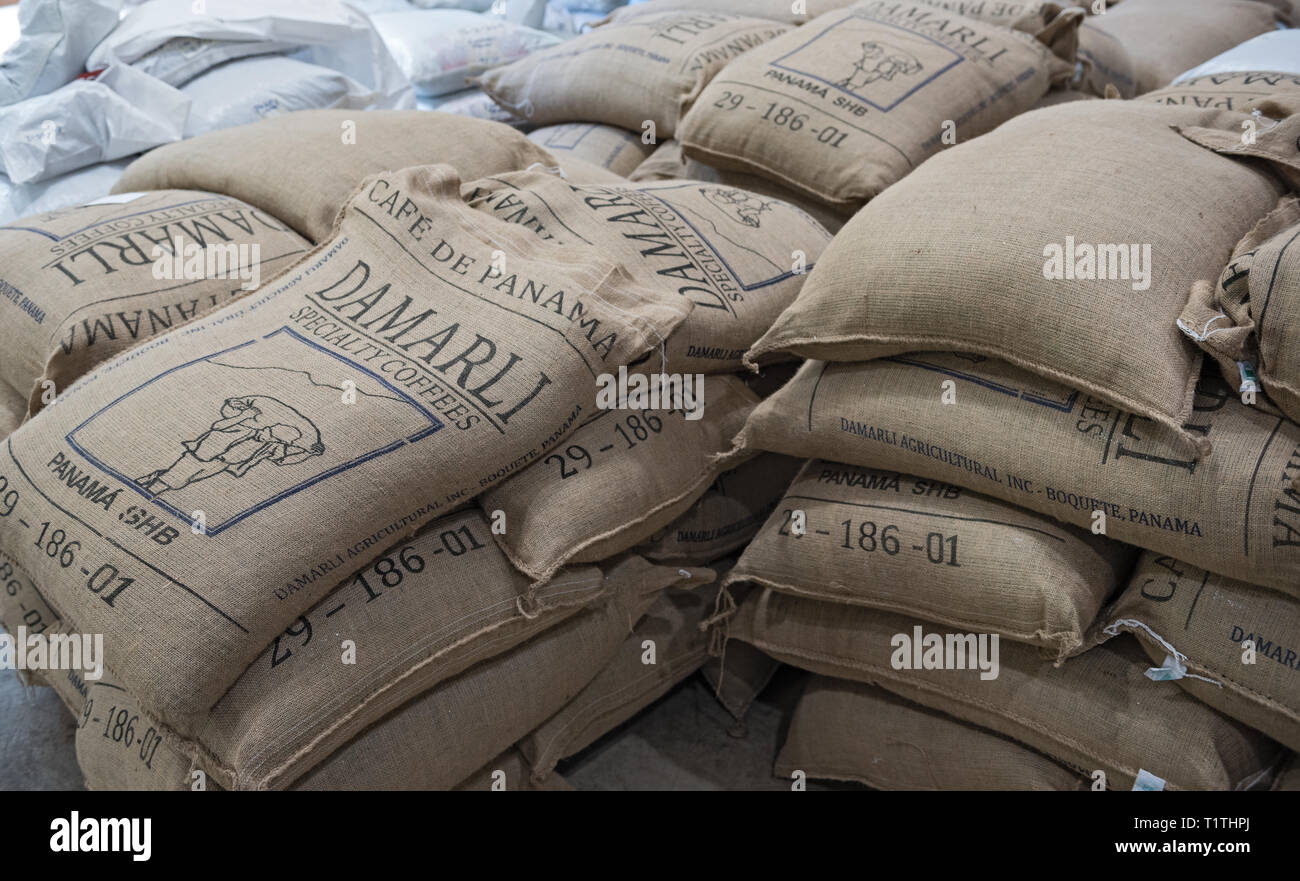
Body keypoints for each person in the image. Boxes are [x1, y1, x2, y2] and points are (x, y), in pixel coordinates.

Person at [136, 395, 323, 495]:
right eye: (271, 434)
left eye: (279, 441)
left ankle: (153, 479)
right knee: (175, 479)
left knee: (183, 482)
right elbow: (217, 426)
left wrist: (310, 454)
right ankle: (149, 493)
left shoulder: (271, 446)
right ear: (270, 428)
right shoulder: (246, 427)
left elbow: (283, 460)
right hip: (201, 454)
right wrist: (244, 415)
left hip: (221, 464)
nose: (270, 439)